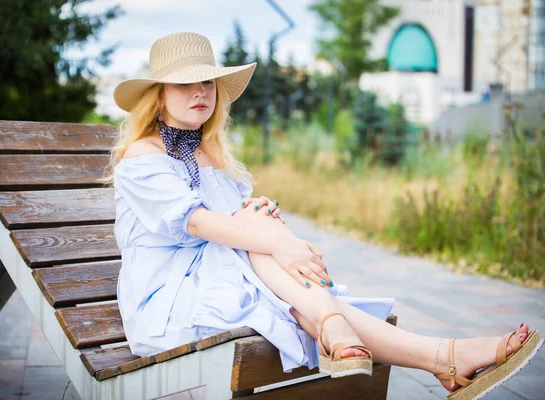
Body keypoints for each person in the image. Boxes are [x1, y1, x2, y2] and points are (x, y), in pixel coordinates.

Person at [105, 32, 542, 398]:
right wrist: (279, 240)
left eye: (207, 82)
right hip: (169, 303)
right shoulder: (142, 158)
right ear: (158, 98)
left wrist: (254, 216)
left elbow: (232, 224)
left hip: (223, 281)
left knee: (262, 231)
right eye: (184, 85)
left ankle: (390, 344)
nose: (200, 91)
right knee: (266, 242)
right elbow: (198, 224)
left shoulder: (210, 159)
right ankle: (430, 352)